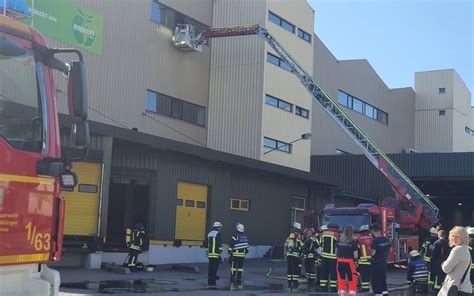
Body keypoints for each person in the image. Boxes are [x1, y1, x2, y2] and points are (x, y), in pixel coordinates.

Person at [437, 226, 472, 296]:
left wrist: (443, 263)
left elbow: (446, 268)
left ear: (463, 237)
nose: (454, 238)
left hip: (455, 289)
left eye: (457, 236)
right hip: (465, 288)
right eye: (453, 236)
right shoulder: (466, 249)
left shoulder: (457, 249)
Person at [336, 225, 358, 296]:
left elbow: (336, 252)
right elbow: (355, 255)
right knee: (352, 279)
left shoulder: (339, 240)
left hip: (339, 261)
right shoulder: (353, 242)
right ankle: (351, 294)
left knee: (341, 279)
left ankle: (342, 294)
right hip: (349, 262)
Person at [370, 223, 391, 296]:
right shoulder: (386, 239)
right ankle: (385, 293)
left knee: (375, 280)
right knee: (383, 279)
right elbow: (390, 250)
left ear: (373, 231)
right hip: (384, 262)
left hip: (376, 263)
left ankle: (378, 294)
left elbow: (373, 253)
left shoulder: (375, 241)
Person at [318, 223, 340, 292]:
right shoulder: (336, 234)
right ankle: (333, 287)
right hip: (333, 257)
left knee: (324, 271)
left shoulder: (323, 233)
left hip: (324, 256)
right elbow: (339, 245)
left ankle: (323, 286)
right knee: (333, 272)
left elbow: (320, 243)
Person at [285, 222, 303, 288]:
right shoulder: (297, 237)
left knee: (289, 268)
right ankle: (295, 281)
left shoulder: (289, 237)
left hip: (289, 255)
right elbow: (300, 245)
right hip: (295, 255)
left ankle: (290, 281)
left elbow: (286, 245)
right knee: (294, 268)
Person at [357, 224, 373, 292]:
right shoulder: (372, 239)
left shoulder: (358, 239)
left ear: (361, 232)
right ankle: (371, 287)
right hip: (372, 260)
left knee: (364, 275)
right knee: (370, 275)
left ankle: (365, 288)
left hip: (363, 261)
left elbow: (357, 250)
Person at [206, 221, 223, 286]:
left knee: (210, 267)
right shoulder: (218, 233)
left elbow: (207, 243)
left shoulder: (209, 233)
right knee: (215, 267)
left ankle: (209, 280)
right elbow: (219, 243)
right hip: (215, 253)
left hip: (210, 253)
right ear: (218, 227)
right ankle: (213, 281)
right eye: (219, 227)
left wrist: (208, 251)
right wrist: (220, 251)